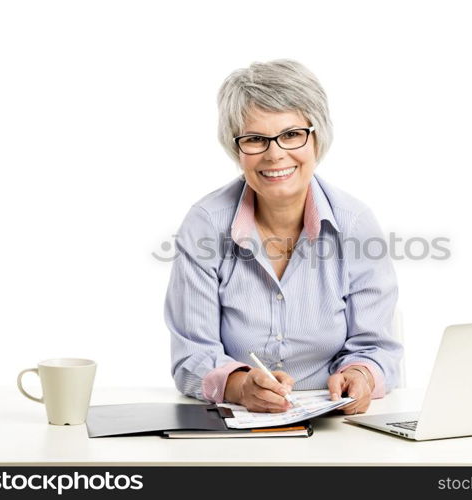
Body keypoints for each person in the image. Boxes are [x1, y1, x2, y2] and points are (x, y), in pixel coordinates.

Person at [164, 59, 402, 415]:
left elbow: (379, 348)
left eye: (292, 134)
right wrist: (240, 386)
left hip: (337, 425)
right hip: (237, 426)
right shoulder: (205, 225)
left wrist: (361, 376)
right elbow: (191, 355)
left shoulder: (355, 223)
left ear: (317, 138)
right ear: (237, 149)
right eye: (256, 139)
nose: (275, 154)